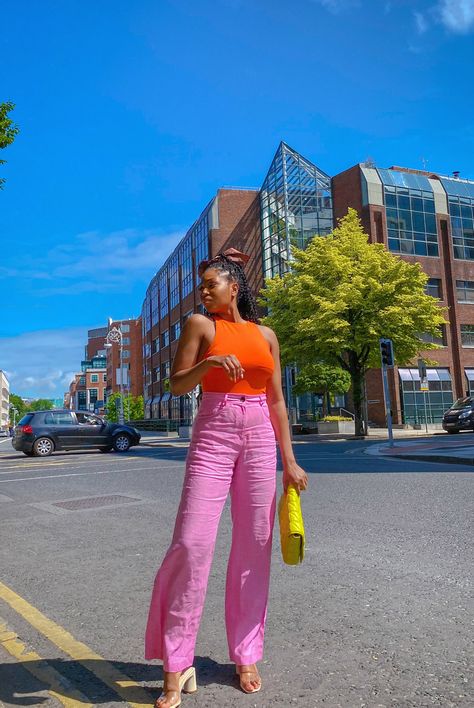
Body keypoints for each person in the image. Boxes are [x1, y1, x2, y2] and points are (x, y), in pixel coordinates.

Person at [145, 248, 308, 708]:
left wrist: (290, 460)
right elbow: (175, 383)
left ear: (233, 287)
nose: (203, 291)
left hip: (258, 433)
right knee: (192, 543)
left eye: (210, 283)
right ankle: (176, 663)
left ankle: (247, 653)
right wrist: (209, 366)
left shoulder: (266, 335)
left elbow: (277, 402)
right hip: (214, 431)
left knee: (254, 543)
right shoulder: (200, 326)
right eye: (202, 285)